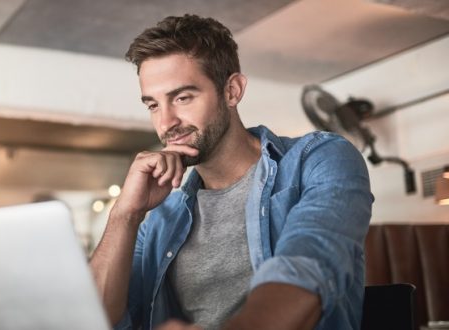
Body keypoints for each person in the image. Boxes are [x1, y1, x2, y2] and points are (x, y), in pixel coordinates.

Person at [89, 14, 373, 330]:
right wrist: (125, 215)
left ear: (232, 90)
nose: (166, 122)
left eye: (182, 98)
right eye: (153, 105)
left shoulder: (319, 159)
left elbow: (306, 273)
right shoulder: (158, 216)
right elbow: (93, 320)